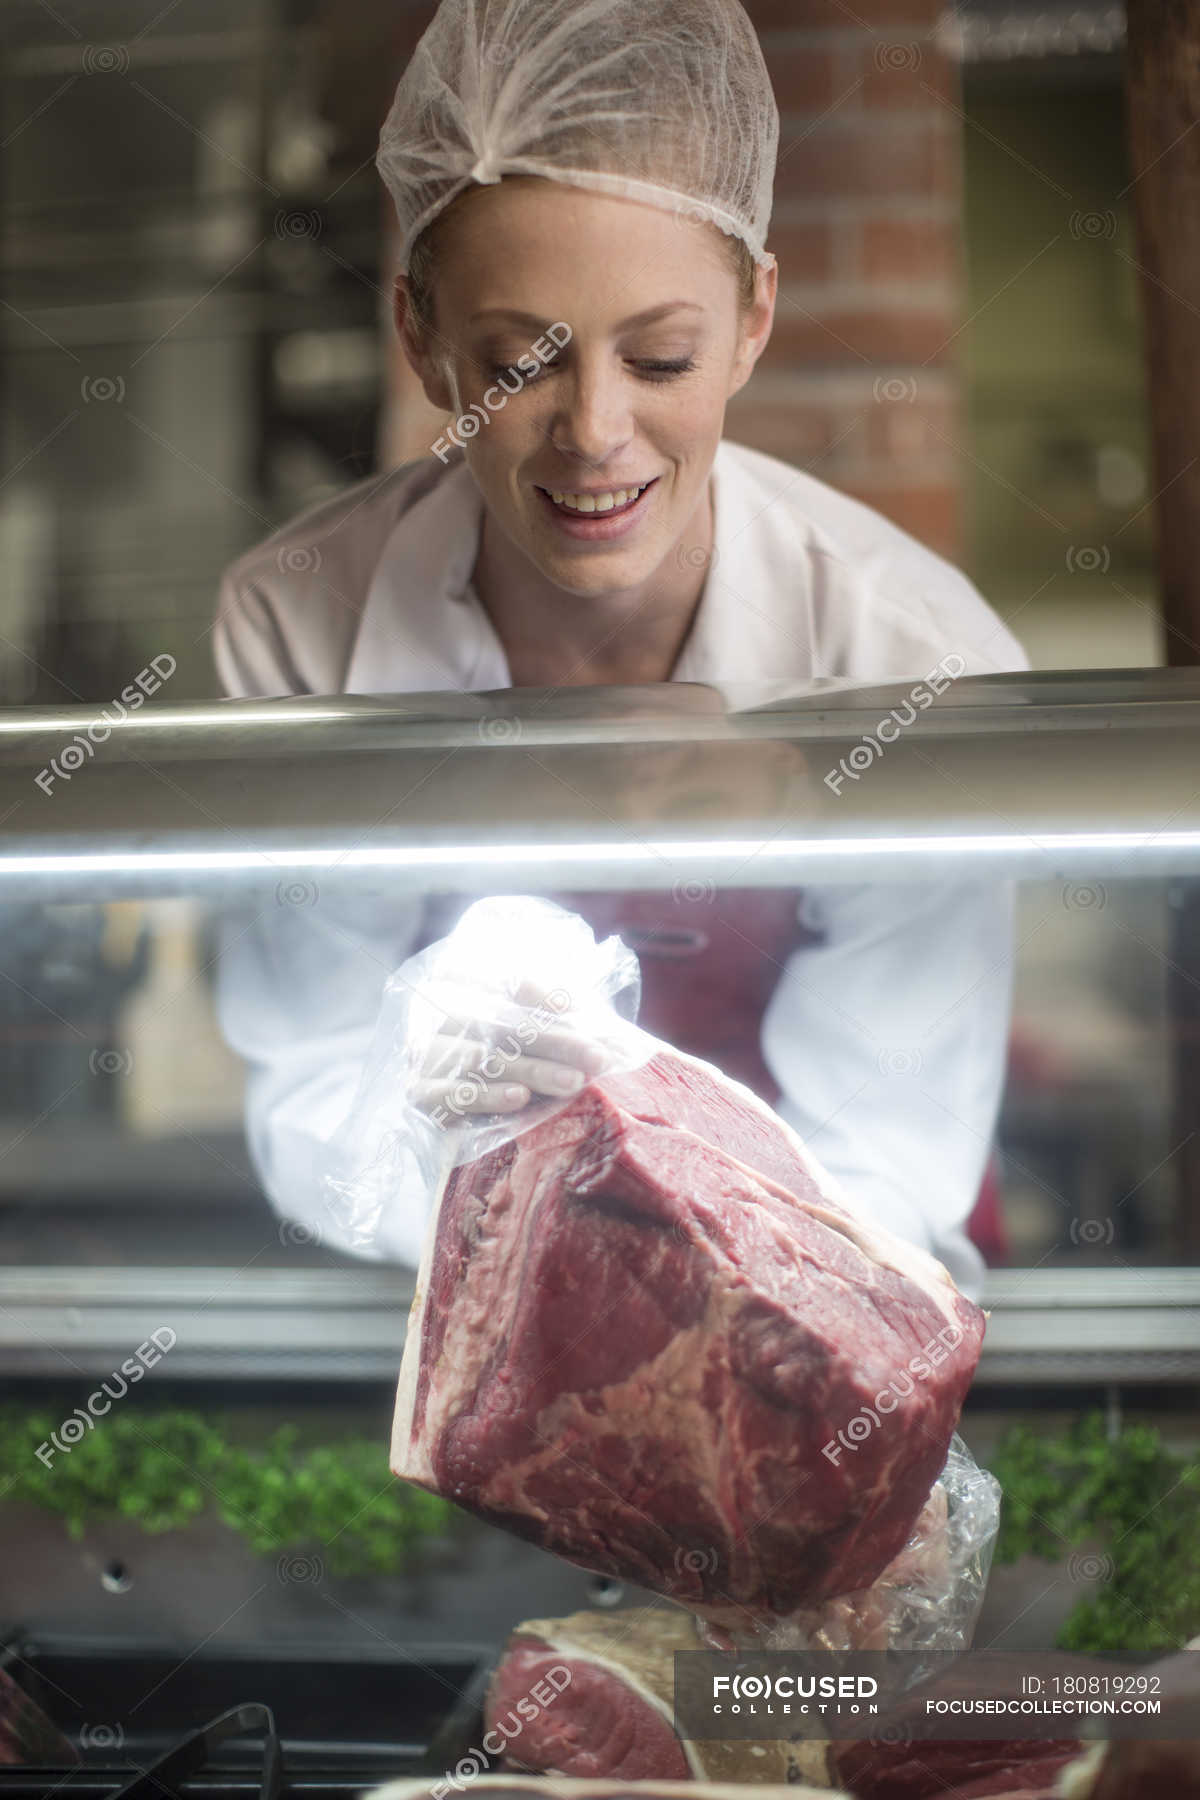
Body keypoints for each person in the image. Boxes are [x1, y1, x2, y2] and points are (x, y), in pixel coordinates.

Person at [212, 0, 1028, 1298]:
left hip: (817, 1304)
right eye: (518, 363)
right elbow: (306, 1093)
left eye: (661, 356)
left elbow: (883, 1172)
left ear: (753, 319)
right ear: (419, 334)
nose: (595, 430)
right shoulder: (301, 624)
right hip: (459, 1297)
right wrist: (420, 1111)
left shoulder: (911, 659)